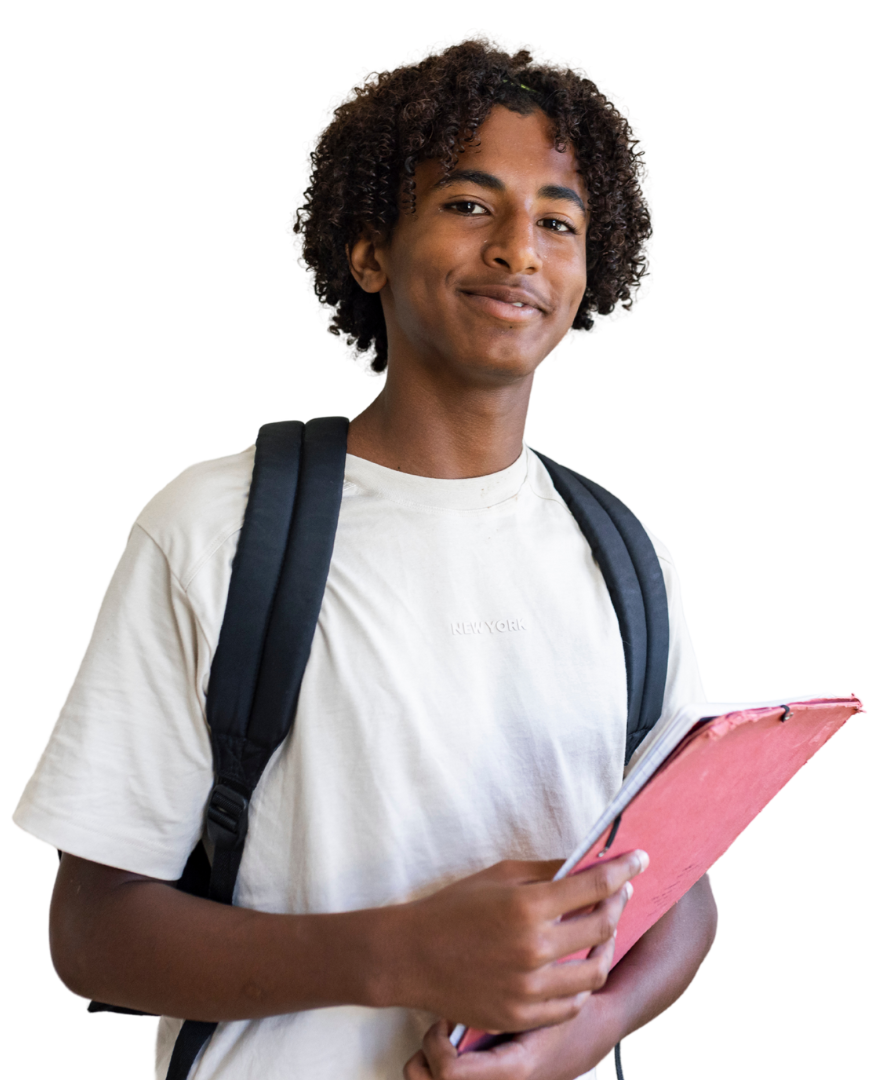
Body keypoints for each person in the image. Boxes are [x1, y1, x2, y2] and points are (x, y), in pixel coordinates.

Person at [11, 30, 718, 1080]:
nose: (518, 251)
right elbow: (91, 936)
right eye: (469, 205)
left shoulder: (629, 562)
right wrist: (403, 952)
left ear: (582, 285)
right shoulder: (215, 527)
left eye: (558, 222)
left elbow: (682, 893)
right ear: (370, 251)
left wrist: (586, 1032)